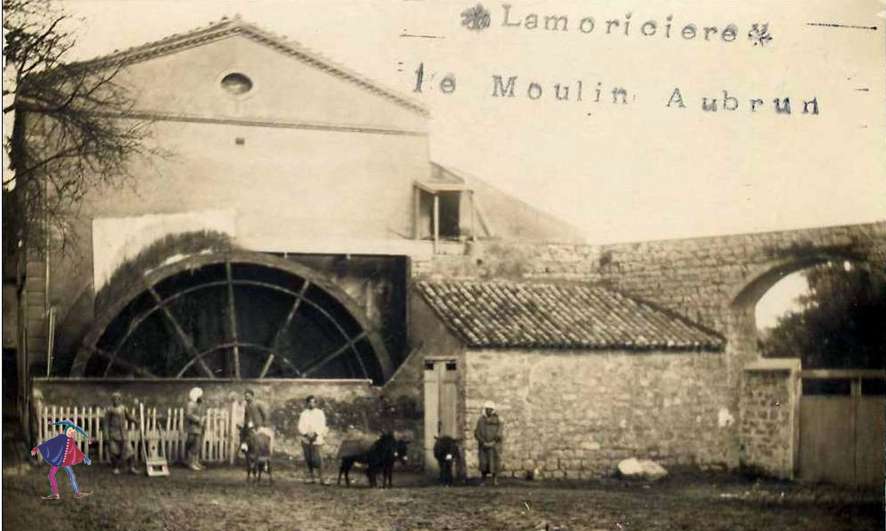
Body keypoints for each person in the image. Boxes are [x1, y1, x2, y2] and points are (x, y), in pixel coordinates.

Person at [31, 420, 93, 500]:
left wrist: (84, 456)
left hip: (65, 462)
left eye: (73, 431)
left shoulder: (71, 441)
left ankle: (77, 493)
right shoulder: (61, 438)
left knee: (71, 475)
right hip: (58, 460)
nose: (71, 432)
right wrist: (37, 448)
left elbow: (76, 450)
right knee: (51, 475)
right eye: (70, 430)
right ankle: (55, 494)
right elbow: (49, 443)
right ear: (66, 430)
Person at [297, 395, 328, 484]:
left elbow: (322, 425)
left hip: (317, 439)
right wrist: (306, 434)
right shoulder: (303, 414)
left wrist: (316, 434)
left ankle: (322, 478)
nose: (311, 404)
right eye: (309, 402)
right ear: (307, 403)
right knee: (309, 459)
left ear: (316, 403)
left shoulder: (320, 413)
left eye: (313, 402)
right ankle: (312, 478)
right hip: (306, 439)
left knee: (319, 458)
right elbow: (300, 426)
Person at [105, 392, 139, 475]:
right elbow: (106, 423)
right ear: (112, 400)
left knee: (129, 450)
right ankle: (115, 468)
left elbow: (129, 417)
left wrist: (135, 421)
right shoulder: (109, 410)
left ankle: (131, 467)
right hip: (113, 433)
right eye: (114, 399)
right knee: (114, 451)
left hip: (123, 433)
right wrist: (106, 435)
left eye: (117, 399)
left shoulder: (124, 408)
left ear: (120, 400)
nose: (115, 401)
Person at [474, 400, 503, 486]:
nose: (488, 411)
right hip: (483, 446)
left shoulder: (498, 420)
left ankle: (495, 480)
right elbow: (477, 433)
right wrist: (483, 442)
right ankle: (483, 480)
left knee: (494, 462)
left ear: (493, 410)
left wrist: (493, 442)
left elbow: (499, 432)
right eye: (487, 409)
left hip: (494, 446)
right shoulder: (480, 420)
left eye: (490, 409)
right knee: (483, 463)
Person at [185, 387, 206, 471]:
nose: (202, 397)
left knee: (197, 446)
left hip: (199, 428)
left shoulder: (199, 404)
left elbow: (202, 413)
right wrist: (198, 420)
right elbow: (189, 415)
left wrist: (203, 418)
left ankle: (196, 462)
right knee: (193, 445)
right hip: (193, 428)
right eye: (200, 395)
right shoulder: (191, 404)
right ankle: (191, 463)